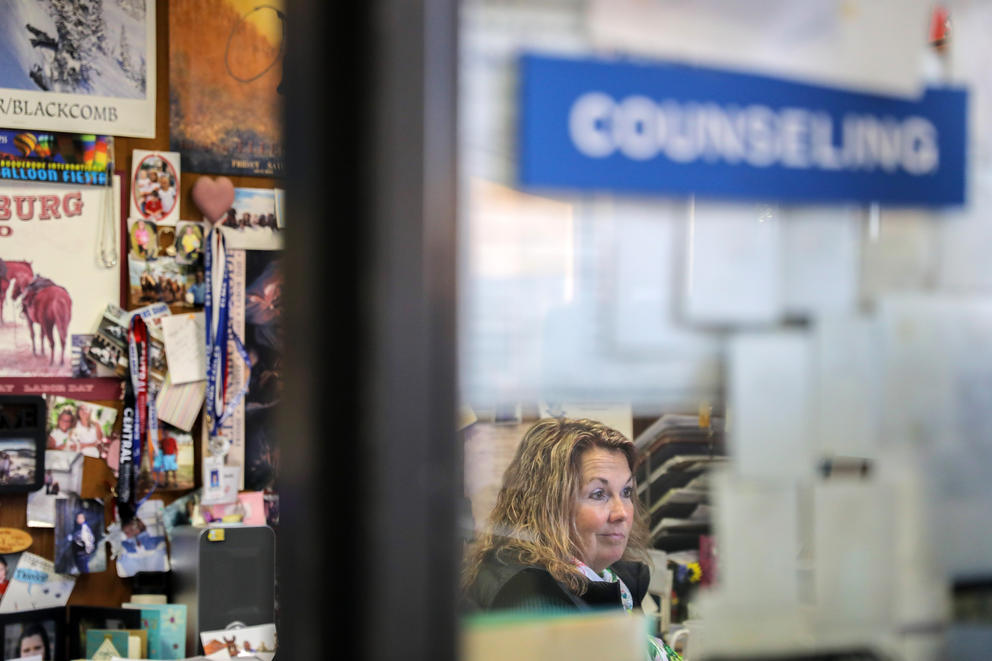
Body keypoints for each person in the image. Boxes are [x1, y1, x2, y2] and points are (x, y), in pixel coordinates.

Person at [463, 418, 675, 659]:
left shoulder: (605, 579)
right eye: (598, 494)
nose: (622, 513)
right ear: (547, 505)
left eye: (626, 492)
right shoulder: (533, 598)